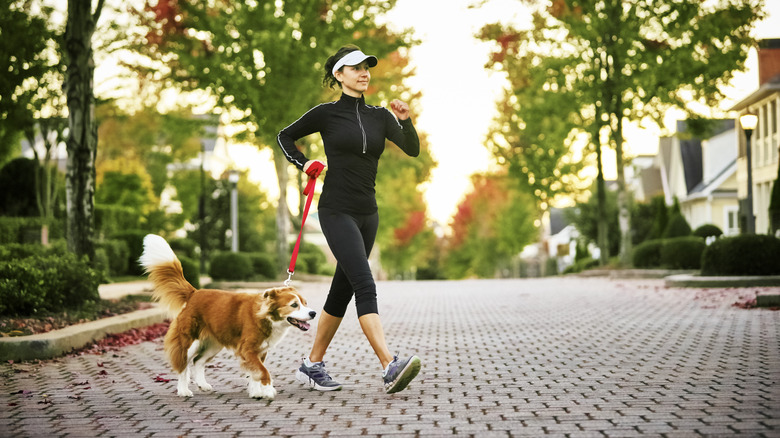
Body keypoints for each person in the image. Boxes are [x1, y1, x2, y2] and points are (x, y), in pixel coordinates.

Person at [277, 44, 421, 394]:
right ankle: (389, 365)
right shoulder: (326, 114)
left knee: (341, 292)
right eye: (355, 68)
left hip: (368, 214)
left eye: (366, 67)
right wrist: (305, 163)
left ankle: (312, 365)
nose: (363, 73)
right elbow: (285, 136)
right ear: (339, 75)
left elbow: (412, 149)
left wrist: (405, 121)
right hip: (336, 210)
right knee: (364, 284)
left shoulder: (380, 116)